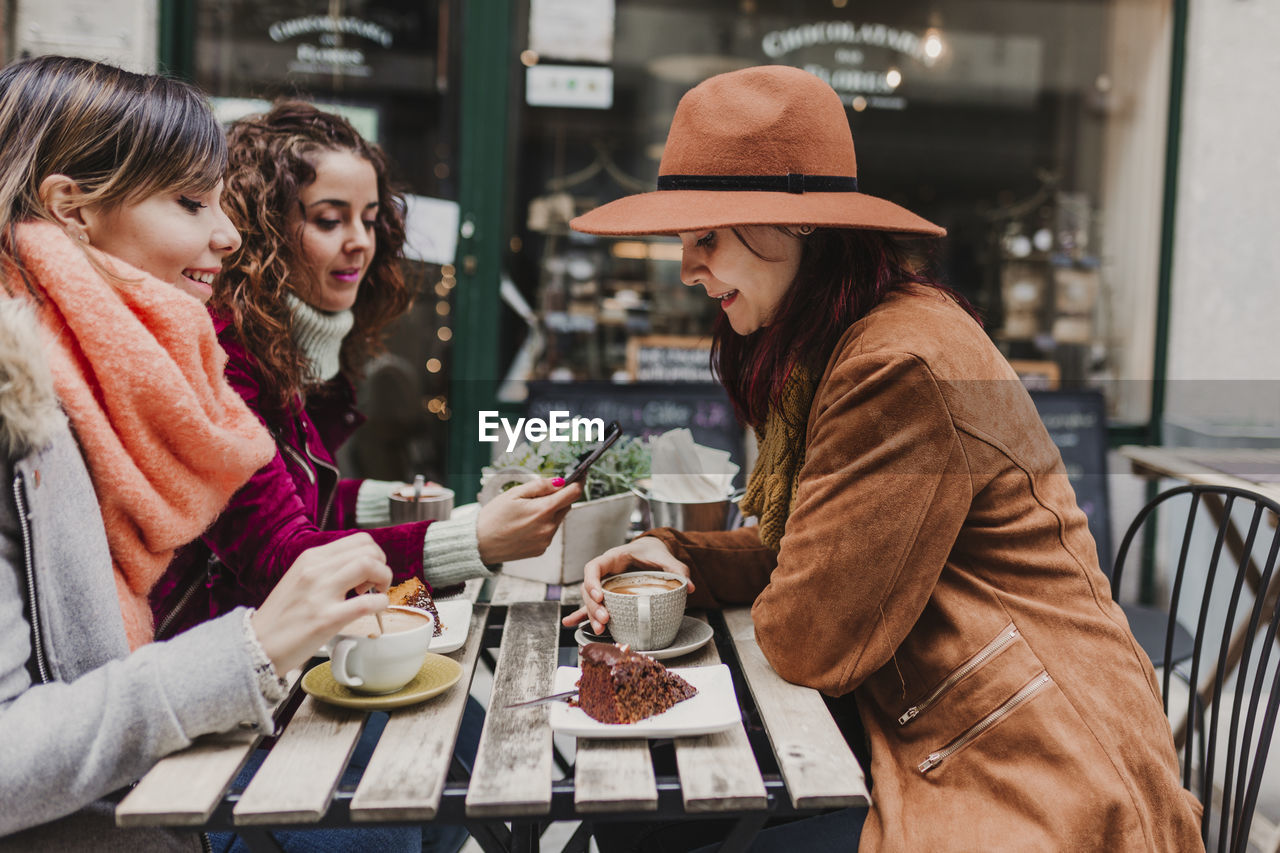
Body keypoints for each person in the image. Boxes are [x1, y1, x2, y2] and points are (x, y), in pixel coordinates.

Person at [565, 66, 1203, 851]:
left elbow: (809, 636)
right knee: (643, 816)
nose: (689, 266)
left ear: (797, 226)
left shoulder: (896, 365)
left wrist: (743, 573)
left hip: (1036, 768)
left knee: (649, 818)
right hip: (934, 724)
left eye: (708, 236)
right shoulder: (851, 338)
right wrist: (680, 552)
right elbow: (819, 559)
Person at [0, 55, 406, 851]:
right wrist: (246, 652)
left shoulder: (132, 381)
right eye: (190, 202)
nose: (226, 234)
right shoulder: (25, 403)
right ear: (69, 208)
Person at [152, 100, 581, 638]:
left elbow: (298, 495)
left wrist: (412, 504)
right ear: (260, 229)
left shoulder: (291, 340)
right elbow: (283, 557)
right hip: (207, 669)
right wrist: (475, 538)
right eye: (330, 220)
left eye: (371, 220)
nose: (360, 241)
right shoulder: (221, 352)